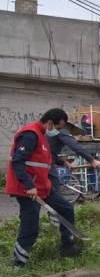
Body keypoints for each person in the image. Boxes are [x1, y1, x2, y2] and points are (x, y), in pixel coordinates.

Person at [5, 109, 87, 268]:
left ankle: (67, 246)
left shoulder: (42, 137)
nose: (57, 131)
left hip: (43, 187)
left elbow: (47, 159)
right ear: (49, 123)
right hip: (27, 189)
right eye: (57, 127)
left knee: (66, 209)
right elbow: (17, 162)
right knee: (30, 227)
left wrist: (63, 162)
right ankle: (17, 263)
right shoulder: (30, 134)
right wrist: (29, 186)